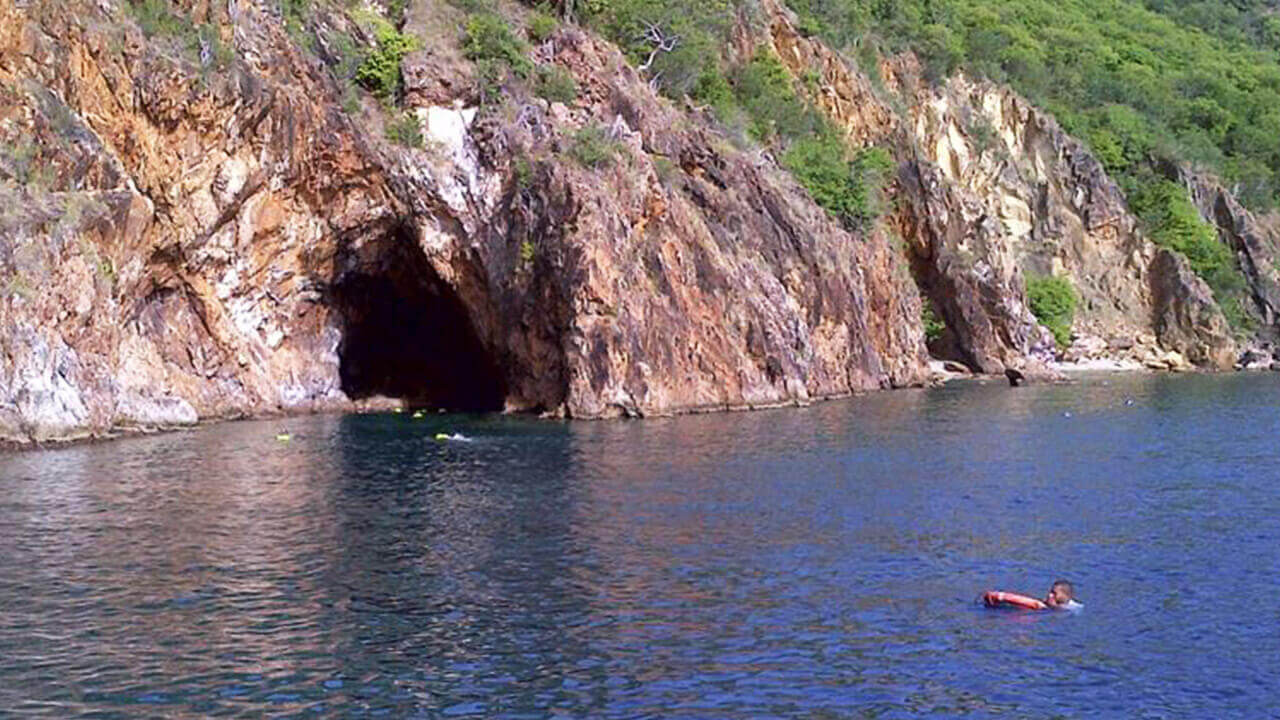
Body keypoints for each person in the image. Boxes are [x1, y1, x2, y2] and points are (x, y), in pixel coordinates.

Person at [983, 579, 1081, 610]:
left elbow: (1035, 604)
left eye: (1054, 594)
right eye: (1050, 592)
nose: (1049, 595)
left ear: (1065, 596)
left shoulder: (1063, 609)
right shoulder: (1076, 606)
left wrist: (1001, 596)